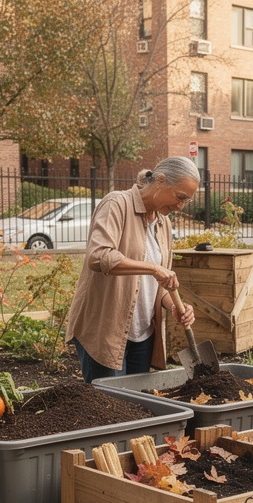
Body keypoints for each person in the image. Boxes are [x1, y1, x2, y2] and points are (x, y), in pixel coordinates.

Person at [64, 156, 199, 382]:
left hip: (143, 337)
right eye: (180, 197)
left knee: (137, 409)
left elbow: (159, 283)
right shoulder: (117, 204)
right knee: (110, 410)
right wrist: (153, 268)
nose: (180, 206)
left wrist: (174, 305)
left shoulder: (163, 223)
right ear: (160, 181)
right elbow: (99, 256)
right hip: (106, 331)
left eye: (186, 201)